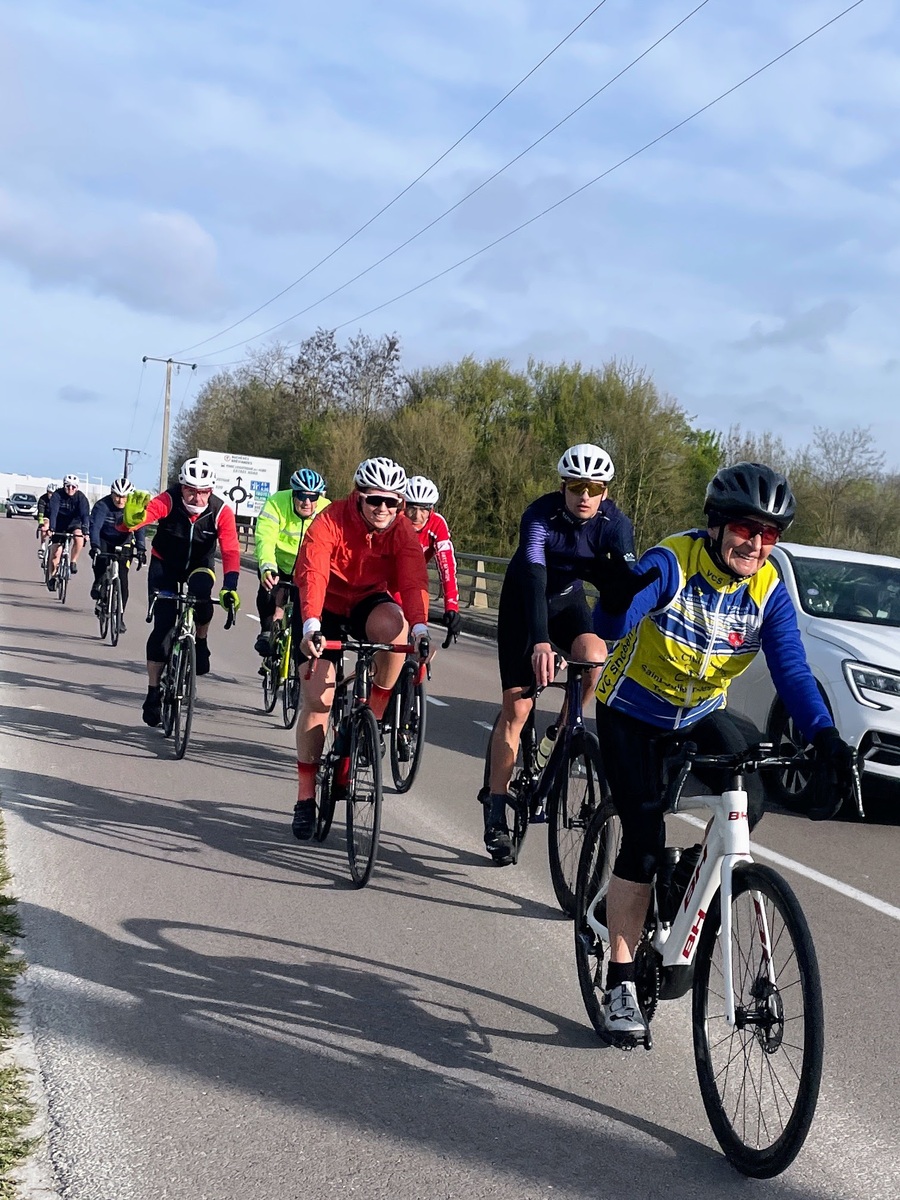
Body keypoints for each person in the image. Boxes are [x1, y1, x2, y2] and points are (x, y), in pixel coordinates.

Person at [591, 462, 856, 1044]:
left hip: (699, 714)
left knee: (750, 798)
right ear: (715, 524)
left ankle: (686, 878)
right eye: (744, 527)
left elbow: (792, 670)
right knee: (643, 837)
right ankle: (621, 980)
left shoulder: (768, 588)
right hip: (632, 712)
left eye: (769, 533)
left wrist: (825, 737)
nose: (756, 542)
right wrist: (613, 602)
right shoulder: (672, 562)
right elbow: (615, 621)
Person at [483, 443, 636, 866]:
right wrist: (540, 642)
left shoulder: (616, 524)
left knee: (595, 655)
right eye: (576, 487)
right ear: (563, 487)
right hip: (524, 604)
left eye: (594, 488)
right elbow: (534, 579)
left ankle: (563, 733)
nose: (584, 495)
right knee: (517, 710)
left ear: (605, 492)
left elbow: (626, 582)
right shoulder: (539, 516)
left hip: (569, 601)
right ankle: (496, 810)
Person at [291, 457, 430, 840]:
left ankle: (374, 716)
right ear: (358, 496)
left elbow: (414, 580)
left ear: (400, 503)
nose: (383, 509)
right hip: (324, 605)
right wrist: (311, 625)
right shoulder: (330, 520)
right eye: (374, 500)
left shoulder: (401, 530)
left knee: (397, 628)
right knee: (318, 699)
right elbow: (314, 573)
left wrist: (421, 629)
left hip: (367, 599)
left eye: (392, 502)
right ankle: (305, 797)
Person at [119, 458, 241, 727]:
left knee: (203, 599)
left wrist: (230, 586)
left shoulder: (221, 511)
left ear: (211, 491)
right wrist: (130, 522)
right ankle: (153, 692)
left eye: (203, 492)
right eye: (190, 490)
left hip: (199, 565)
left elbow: (231, 550)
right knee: (163, 627)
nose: (196, 497)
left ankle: (201, 642)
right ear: (181, 487)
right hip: (165, 564)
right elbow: (145, 516)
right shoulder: (169, 500)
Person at [253, 468, 329, 657]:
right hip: (278, 562)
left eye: (313, 497)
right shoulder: (276, 503)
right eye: (302, 496)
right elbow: (265, 539)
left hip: (308, 566)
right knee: (269, 590)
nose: (307, 502)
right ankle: (267, 630)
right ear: (293, 494)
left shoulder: (327, 509)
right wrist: (267, 566)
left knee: (308, 606)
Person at [403, 476, 461, 642]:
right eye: (411, 509)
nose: (417, 516)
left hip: (415, 580)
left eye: (423, 510)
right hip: (388, 581)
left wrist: (452, 607)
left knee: (420, 630)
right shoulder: (395, 520)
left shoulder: (437, 524)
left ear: (432, 509)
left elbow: (447, 568)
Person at [88, 477, 147, 628]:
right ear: (111, 493)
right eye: (117, 496)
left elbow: (140, 528)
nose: (120, 500)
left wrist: (141, 549)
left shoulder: (133, 506)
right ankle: (99, 584)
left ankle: (119, 617)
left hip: (124, 541)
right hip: (105, 539)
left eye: (124, 497)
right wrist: (95, 546)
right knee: (101, 561)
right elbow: (95, 527)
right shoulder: (102, 505)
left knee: (123, 580)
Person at [46, 475, 90, 589]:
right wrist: (52, 528)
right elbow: (53, 512)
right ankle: (53, 576)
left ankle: (73, 561)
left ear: (77, 487)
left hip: (74, 523)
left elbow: (85, 515)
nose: (70, 489)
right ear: (64, 486)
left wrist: (86, 531)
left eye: (73, 487)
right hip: (59, 524)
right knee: (55, 554)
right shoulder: (57, 495)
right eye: (68, 486)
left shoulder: (81, 498)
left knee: (78, 538)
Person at [35, 483, 54, 550]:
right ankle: (42, 544)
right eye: (50, 493)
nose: (51, 495)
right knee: (44, 527)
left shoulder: (59, 500)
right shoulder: (43, 499)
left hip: (55, 517)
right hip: (45, 516)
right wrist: (41, 523)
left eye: (53, 493)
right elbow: (41, 512)